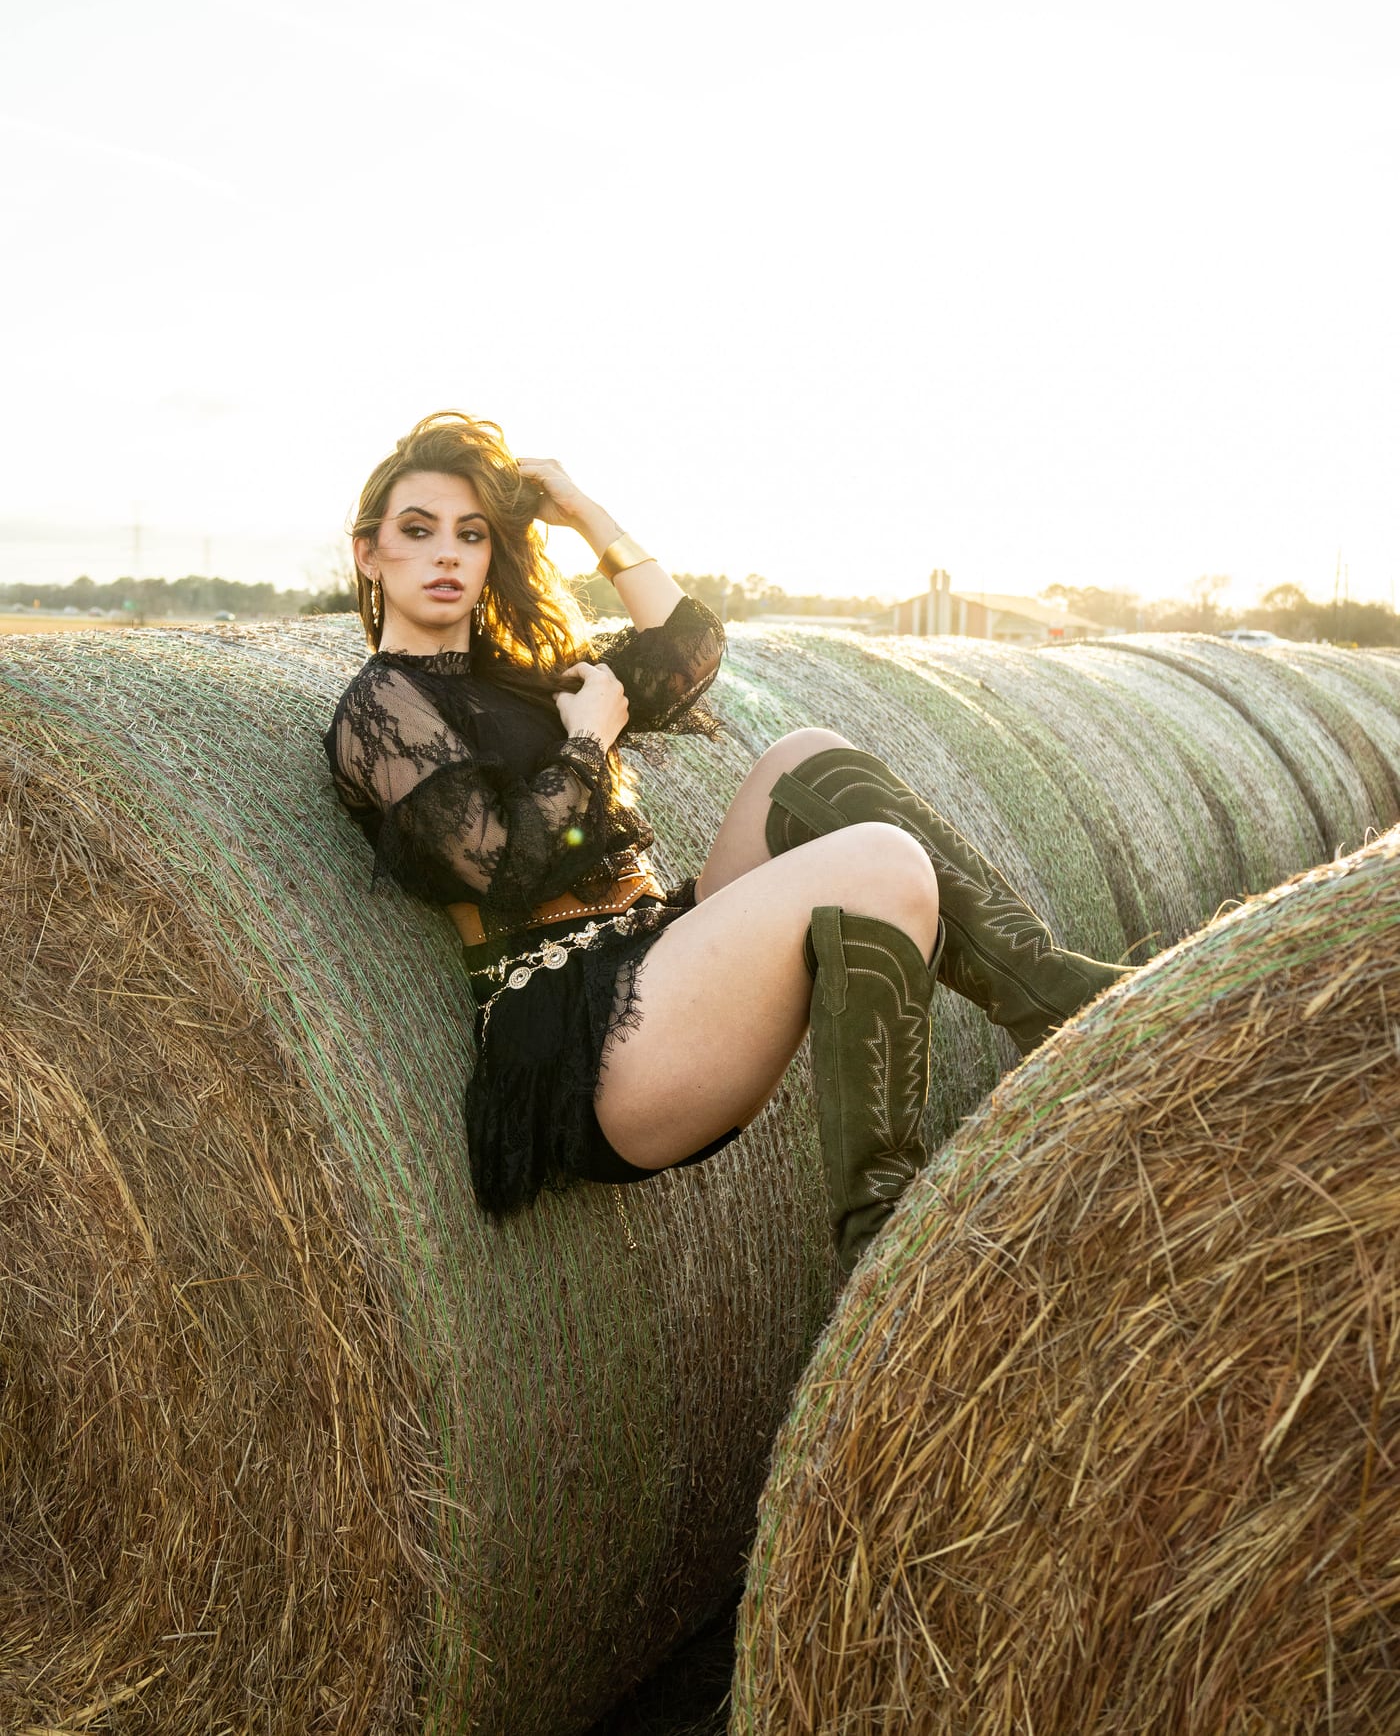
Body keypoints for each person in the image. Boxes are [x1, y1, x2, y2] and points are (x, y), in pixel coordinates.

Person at [324, 412, 1126, 1274]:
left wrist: (586, 511)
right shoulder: (382, 708)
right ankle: (888, 1242)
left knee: (808, 756)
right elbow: (500, 863)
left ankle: (1061, 1006)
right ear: (369, 553)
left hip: (653, 963)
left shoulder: (522, 676)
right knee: (881, 866)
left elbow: (686, 651)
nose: (447, 553)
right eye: (418, 532)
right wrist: (588, 741)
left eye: (471, 534)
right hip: (584, 1041)